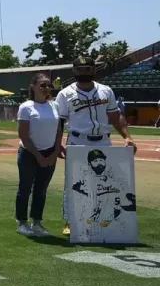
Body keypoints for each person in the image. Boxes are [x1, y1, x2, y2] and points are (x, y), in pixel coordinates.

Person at [56, 55, 137, 235]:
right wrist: (57, 144)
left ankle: (102, 218)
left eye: (87, 69)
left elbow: (115, 116)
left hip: (103, 140)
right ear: (74, 71)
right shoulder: (65, 93)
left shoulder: (105, 91)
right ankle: (71, 220)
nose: (83, 72)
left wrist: (127, 137)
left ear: (94, 70)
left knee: (104, 181)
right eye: (79, 69)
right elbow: (59, 121)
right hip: (78, 140)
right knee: (74, 182)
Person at [15, 73, 60, 237]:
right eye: (43, 85)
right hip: (29, 153)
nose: (47, 88)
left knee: (41, 190)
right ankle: (21, 221)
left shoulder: (54, 106)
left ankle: (37, 222)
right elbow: (23, 134)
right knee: (25, 188)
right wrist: (38, 156)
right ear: (33, 87)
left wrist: (55, 151)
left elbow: (58, 130)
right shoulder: (26, 107)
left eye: (49, 85)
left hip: (50, 153)